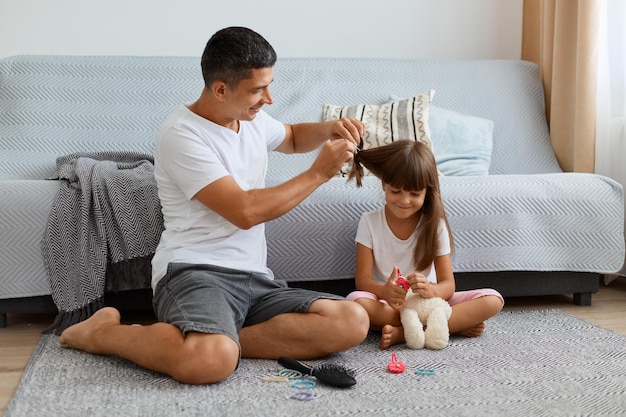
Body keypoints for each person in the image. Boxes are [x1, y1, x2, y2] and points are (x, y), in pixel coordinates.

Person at [58, 26, 370, 384]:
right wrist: (319, 173)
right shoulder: (182, 134)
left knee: (352, 321)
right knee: (209, 364)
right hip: (194, 271)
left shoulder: (248, 117)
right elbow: (244, 211)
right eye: (257, 89)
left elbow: (294, 136)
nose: (268, 98)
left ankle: (220, 340)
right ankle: (102, 334)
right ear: (221, 89)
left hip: (253, 278)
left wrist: (330, 128)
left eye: (269, 85)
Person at [346, 140, 504, 349]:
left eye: (414, 193)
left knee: (493, 300)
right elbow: (363, 281)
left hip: (428, 303)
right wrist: (385, 291)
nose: (404, 201)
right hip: (391, 304)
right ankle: (447, 327)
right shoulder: (369, 221)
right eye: (396, 191)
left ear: (426, 192)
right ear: (383, 184)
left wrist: (431, 291)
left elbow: (448, 285)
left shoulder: (434, 226)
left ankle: (405, 334)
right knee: (356, 302)